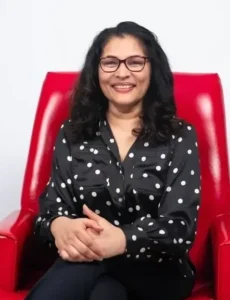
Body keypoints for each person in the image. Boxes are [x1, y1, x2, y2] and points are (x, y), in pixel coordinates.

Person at [26, 21, 201, 300]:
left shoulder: (179, 136)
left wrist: (122, 240)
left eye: (135, 62)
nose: (122, 72)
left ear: (152, 69)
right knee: (105, 293)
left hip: (158, 270)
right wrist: (59, 225)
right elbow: (50, 211)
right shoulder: (72, 134)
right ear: (96, 72)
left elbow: (180, 227)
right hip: (88, 262)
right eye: (110, 62)